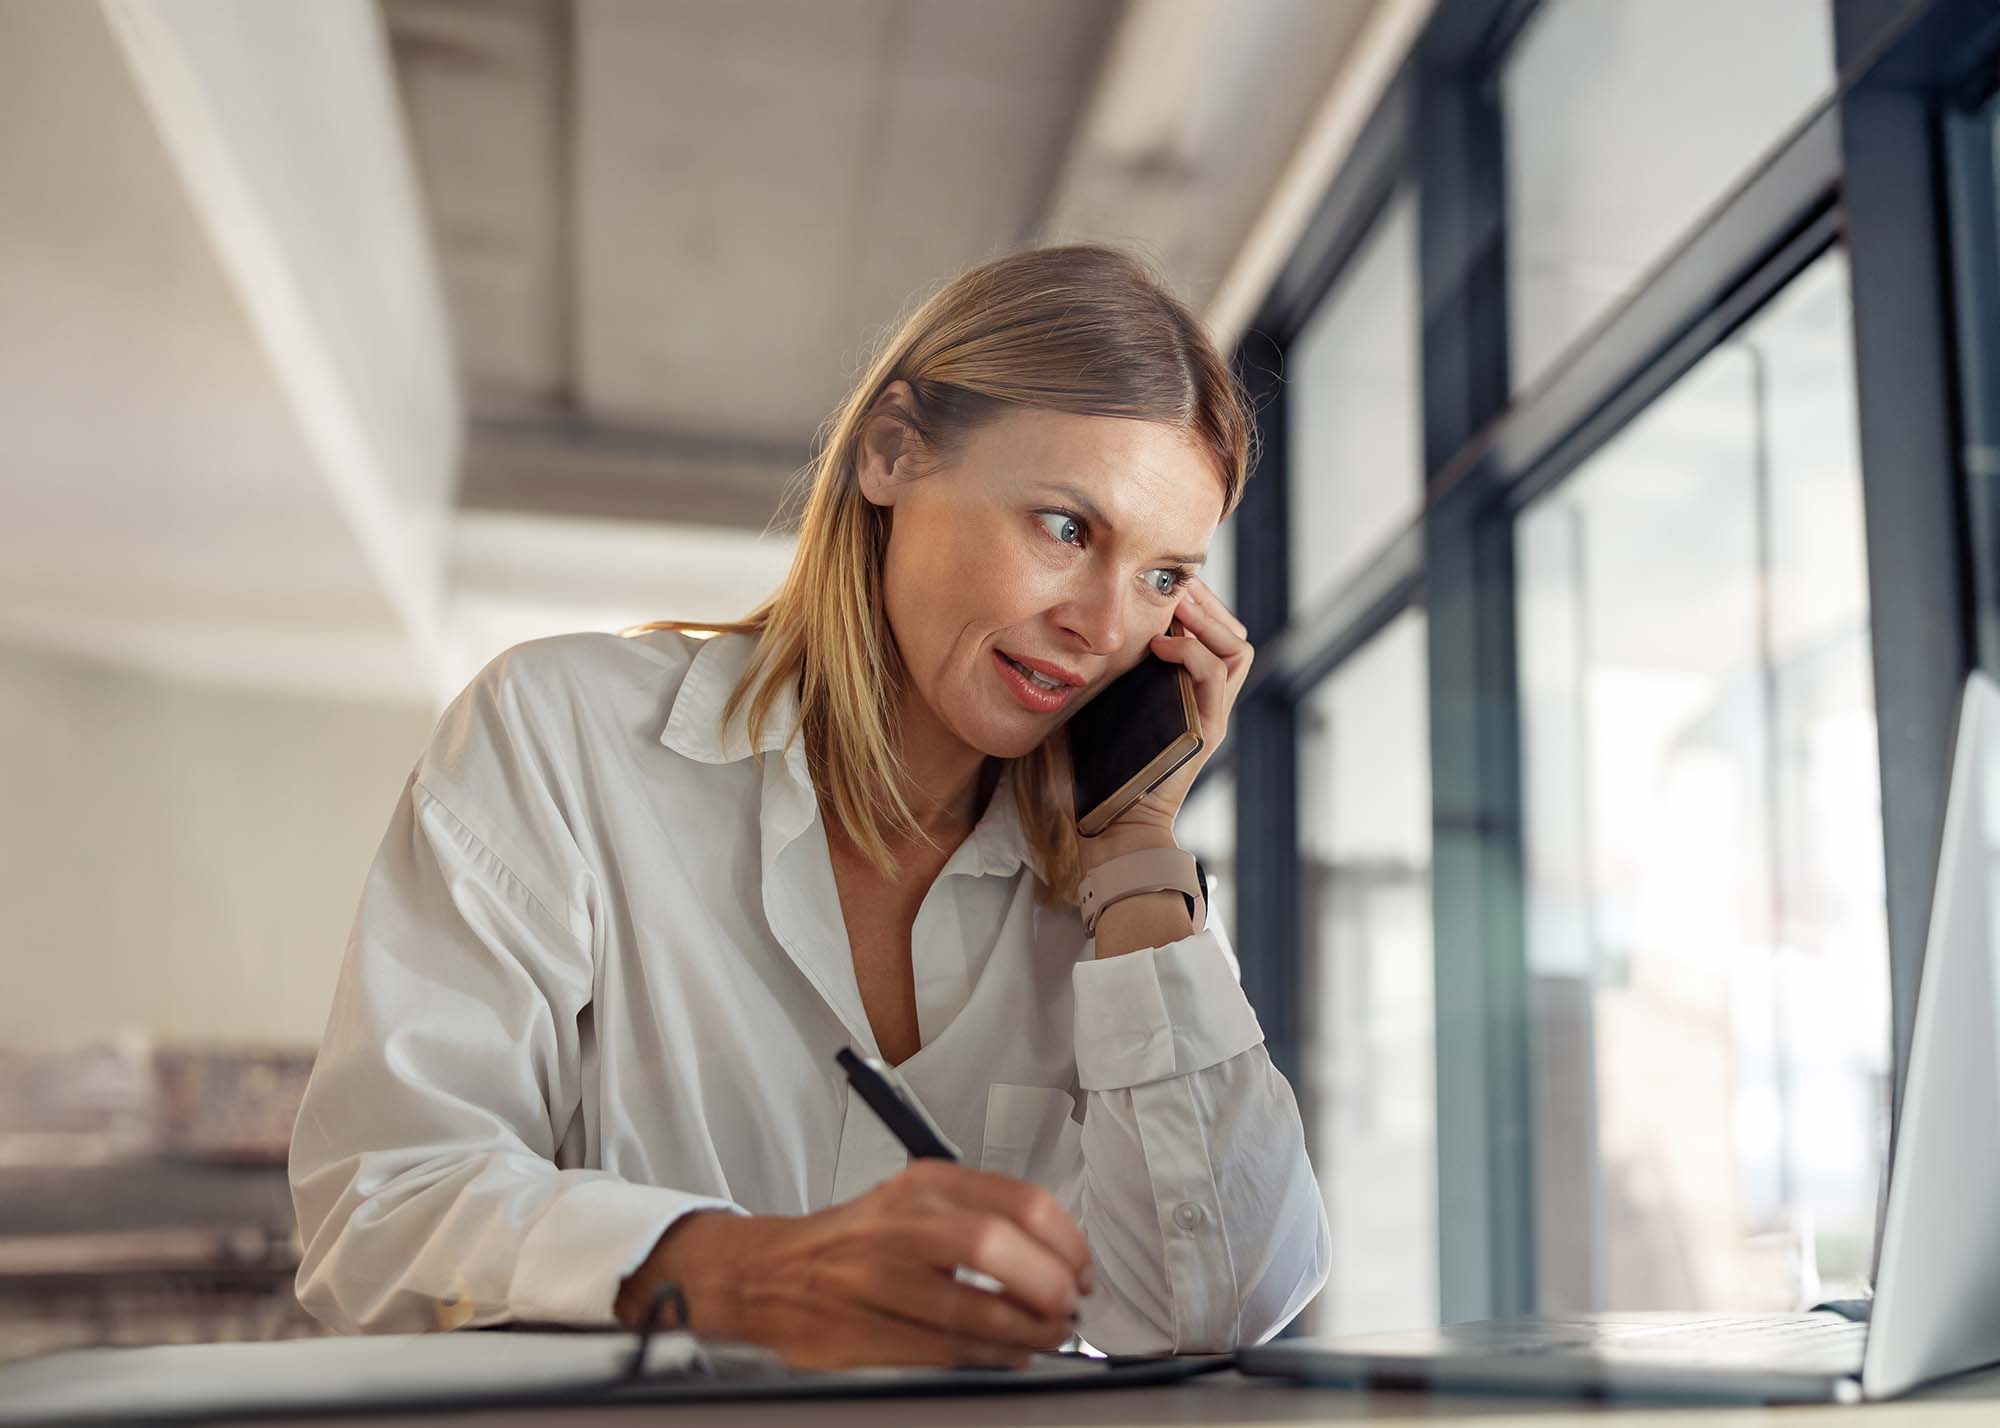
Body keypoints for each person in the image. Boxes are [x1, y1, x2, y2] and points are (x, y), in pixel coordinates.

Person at [288, 244, 1332, 1368]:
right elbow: (379, 1213)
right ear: (891, 452)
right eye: (1067, 530)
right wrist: (737, 1273)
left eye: (1162, 576)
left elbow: (1216, 1307)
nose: (1101, 627)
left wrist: (1134, 856)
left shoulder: (1110, 886)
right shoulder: (564, 738)